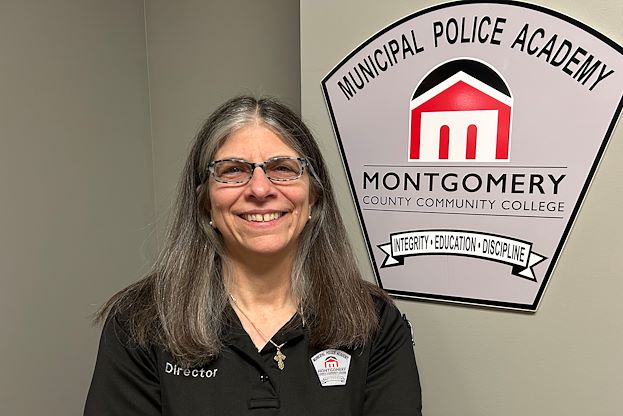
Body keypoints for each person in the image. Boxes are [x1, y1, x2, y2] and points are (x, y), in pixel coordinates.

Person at [84, 96, 422, 415]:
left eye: (283, 168)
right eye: (233, 170)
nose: (260, 189)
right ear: (206, 204)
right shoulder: (140, 322)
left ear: (314, 199)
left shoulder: (375, 323)